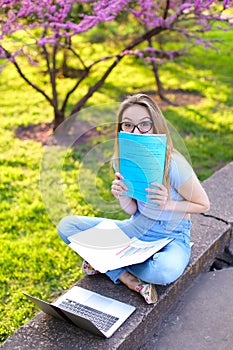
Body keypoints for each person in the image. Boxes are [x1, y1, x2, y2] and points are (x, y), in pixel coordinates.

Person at [57, 93, 210, 304]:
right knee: (68, 226)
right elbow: (132, 210)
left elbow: (203, 204)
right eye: (128, 125)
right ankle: (126, 277)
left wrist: (167, 204)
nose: (136, 132)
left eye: (144, 125)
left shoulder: (173, 163)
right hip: (136, 229)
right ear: (120, 129)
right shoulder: (122, 160)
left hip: (172, 236)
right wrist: (121, 195)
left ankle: (105, 263)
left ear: (156, 126)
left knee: (164, 271)